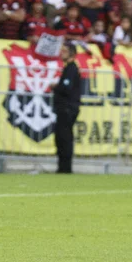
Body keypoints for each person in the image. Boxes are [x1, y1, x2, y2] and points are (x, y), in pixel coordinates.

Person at [50, 43, 80, 173]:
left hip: (67, 109)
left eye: (65, 51)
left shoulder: (71, 69)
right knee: (62, 138)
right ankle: (63, 167)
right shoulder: (68, 68)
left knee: (64, 138)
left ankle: (65, 168)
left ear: (72, 53)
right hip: (65, 108)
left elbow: (66, 88)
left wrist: (56, 86)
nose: (62, 53)